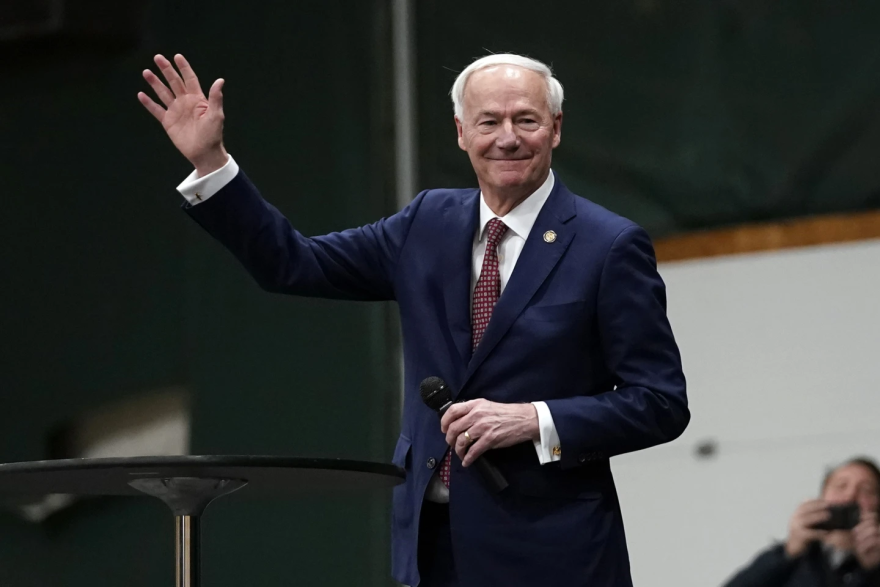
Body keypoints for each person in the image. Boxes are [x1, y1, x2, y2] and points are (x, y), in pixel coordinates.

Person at [138, 52, 689, 587]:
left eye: (526, 120)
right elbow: (293, 263)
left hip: (550, 553)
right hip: (431, 549)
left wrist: (534, 419)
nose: (507, 138)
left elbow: (660, 402)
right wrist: (212, 165)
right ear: (460, 132)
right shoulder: (427, 222)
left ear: (556, 128)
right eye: (488, 121)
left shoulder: (609, 245)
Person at [724, 457, 880, 587]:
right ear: (822, 497)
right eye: (841, 486)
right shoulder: (793, 557)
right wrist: (788, 552)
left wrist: (873, 571)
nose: (850, 496)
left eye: (866, 490)